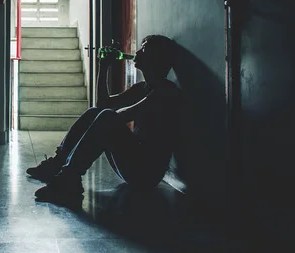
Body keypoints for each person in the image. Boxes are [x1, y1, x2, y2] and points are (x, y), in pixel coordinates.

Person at [27, 34, 182, 207]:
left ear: (157, 59)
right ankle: (58, 164)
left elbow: (119, 115)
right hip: (132, 162)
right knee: (96, 111)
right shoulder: (142, 88)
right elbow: (103, 104)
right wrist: (103, 67)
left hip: (146, 173)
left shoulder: (166, 92)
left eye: (144, 49)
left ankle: (69, 178)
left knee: (107, 116)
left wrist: (108, 114)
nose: (137, 52)